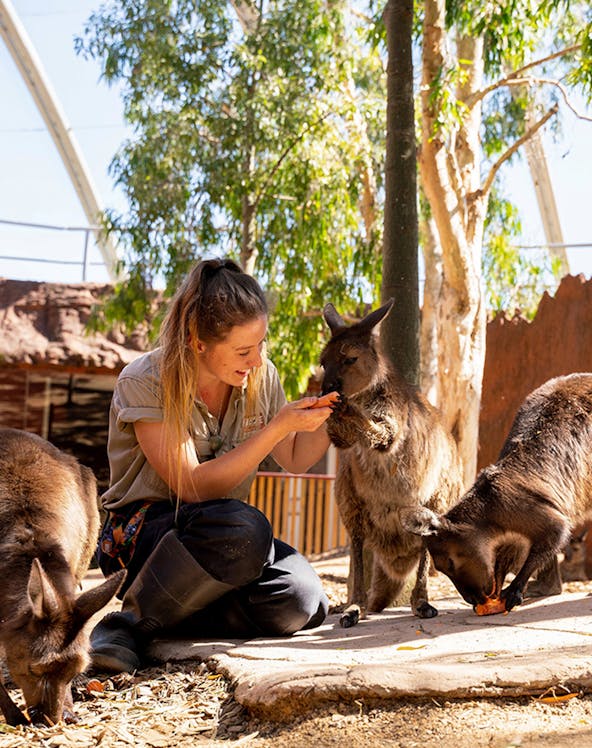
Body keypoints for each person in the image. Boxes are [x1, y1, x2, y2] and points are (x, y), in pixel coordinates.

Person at [90, 258, 333, 673]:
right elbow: (193, 488)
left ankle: (170, 620)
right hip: (150, 537)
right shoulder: (145, 378)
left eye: (260, 345)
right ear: (198, 343)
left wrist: (334, 414)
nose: (256, 360)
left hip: (227, 545)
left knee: (302, 599)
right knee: (244, 528)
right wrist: (276, 428)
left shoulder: (260, 375)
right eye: (243, 350)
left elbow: (295, 457)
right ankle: (126, 623)